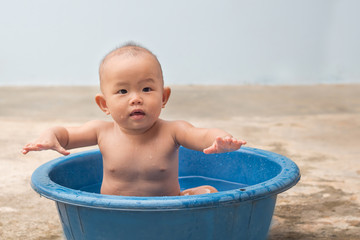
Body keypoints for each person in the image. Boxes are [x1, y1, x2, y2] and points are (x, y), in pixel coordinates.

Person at [22, 43, 246, 197]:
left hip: (167, 209)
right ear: (104, 105)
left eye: (147, 89)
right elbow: (67, 135)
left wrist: (220, 139)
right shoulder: (102, 132)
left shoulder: (173, 131)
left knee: (210, 193)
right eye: (122, 91)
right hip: (113, 211)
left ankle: (186, 194)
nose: (136, 99)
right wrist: (50, 136)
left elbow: (201, 135)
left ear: (164, 97)